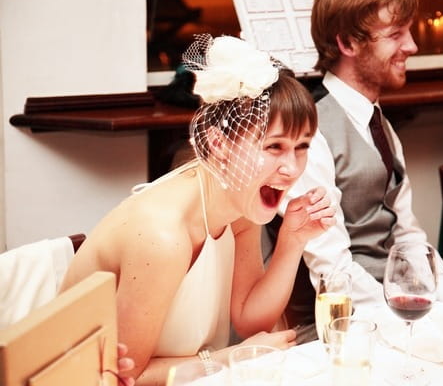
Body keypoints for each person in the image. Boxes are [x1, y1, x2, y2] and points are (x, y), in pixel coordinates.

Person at [60, 34, 336, 384]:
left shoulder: (237, 199)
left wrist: (292, 242)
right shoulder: (162, 238)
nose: (293, 168)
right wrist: (230, 358)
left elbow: (251, 320)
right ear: (219, 143)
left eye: (302, 146)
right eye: (274, 146)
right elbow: (120, 377)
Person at [264, 0, 443, 340]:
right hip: (338, 327)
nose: (412, 46)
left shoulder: (380, 123)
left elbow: (407, 234)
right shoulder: (308, 134)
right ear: (348, 44)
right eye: (395, 34)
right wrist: (406, 325)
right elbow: (332, 268)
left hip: (393, 312)